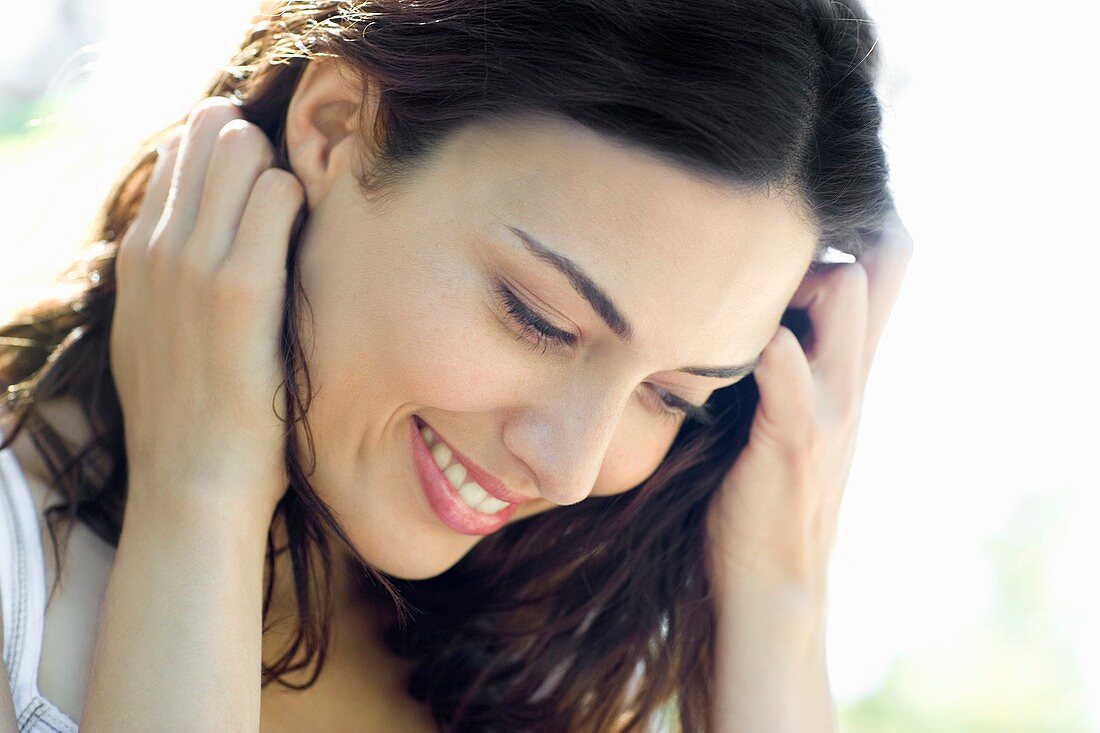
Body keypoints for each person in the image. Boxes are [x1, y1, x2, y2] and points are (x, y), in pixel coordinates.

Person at [0, 0, 913, 730]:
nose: (567, 468)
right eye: (539, 318)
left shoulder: (535, 673)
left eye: (673, 395)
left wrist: (778, 589)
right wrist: (200, 490)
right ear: (336, 126)